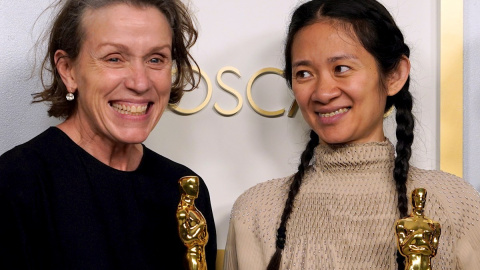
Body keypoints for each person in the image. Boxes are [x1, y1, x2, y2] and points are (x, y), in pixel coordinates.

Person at [223, 0, 480, 269]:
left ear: (394, 75)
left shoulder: (456, 204)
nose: (323, 92)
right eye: (304, 73)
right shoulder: (255, 212)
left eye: (341, 69)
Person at [0, 0, 217, 269]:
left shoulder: (184, 188)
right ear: (68, 70)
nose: (140, 82)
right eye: (114, 58)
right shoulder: (15, 181)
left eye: (155, 59)